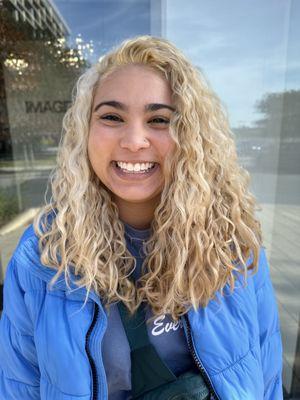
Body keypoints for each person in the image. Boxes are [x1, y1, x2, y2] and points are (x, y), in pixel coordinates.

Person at [0, 35, 283, 400]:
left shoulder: (233, 243)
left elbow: (267, 374)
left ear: (192, 135)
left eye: (159, 119)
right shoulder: (42, 254)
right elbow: (18, 384)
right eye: (112, 117)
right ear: (85, 132)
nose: (134, 140)